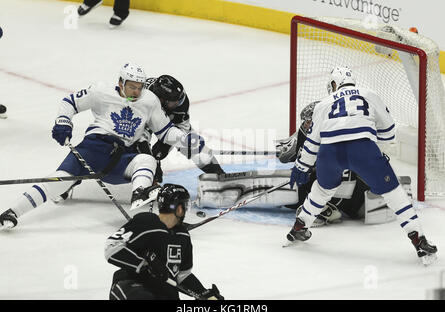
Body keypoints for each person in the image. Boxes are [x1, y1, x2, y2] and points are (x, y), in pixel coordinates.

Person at [0, 63, 201, 230]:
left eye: (140, 87)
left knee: (146, 160)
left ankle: (140, 193)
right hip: (92, 149)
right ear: (121, 82)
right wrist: (63, 121)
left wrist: (185, 140)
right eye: (131, 86)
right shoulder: (100, 91)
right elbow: (70, 102)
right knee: (56, 182)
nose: (136, 91)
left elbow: (165, 131)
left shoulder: (149, 101)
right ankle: (12, 212)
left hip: (122, 157)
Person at [286, 66, 438, 265]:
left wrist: (301, 167)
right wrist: (374, 150)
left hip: (329, 153)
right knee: (394, 194)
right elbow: (390, 132)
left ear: (334, 84)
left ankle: (299, 227)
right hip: (363, 150)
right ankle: (419, 239)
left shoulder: (323, 104)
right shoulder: (369, 94)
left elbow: (313, 143)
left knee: (322, 191)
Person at [195, 100, 406, 227]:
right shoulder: (311, 130)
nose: (306, 126)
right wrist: (288, 151)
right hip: (329, 184)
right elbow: (288, 153)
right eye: (305, 123)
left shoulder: (337, 138)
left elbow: (346, 173)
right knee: (299, 181)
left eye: (309, 123)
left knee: (302, 185)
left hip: (348, 193)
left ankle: (325, 209)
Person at [105, 183, 224, 300]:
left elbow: (182, 275)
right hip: (133, 286)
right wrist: (145, 265)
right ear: (179, 209)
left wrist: (203, 293)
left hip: (162, 292)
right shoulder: (146, 221)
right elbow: (112, 247)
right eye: (185, 205)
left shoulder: (183, 236)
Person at [143, 75, 225, 178]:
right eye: (174, 102)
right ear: (162, 99)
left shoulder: (181, 101)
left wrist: (167, 144)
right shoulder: (144, 99)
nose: (179, 103)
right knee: (145, 155)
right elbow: (140, 137)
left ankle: (219, 175)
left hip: (167, 122)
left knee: (197, 151)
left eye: (180, 100)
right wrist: (152, 160)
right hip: (146, 118)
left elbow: (182, 128)